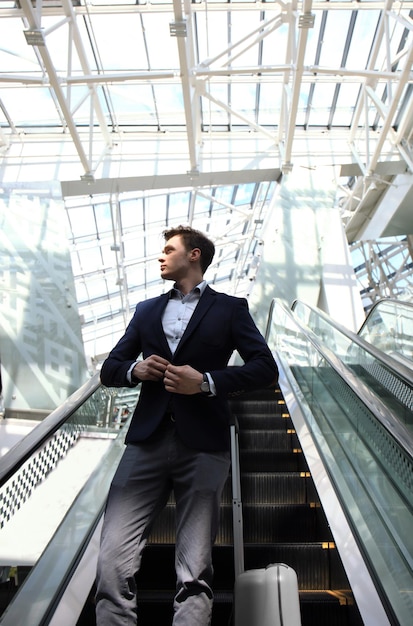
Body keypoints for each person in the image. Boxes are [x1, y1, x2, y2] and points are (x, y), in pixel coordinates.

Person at [95, 225, 278, 625]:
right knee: (111, 558)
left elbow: (266, 368)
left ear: (194, 255)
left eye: (168, 250)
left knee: (194, 570)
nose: (159, 257)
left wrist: (208, 382)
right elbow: (109, 369)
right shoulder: (145, 311)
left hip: (204, 446)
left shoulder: (231, 307)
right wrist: (135, 369)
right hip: (145, 442)